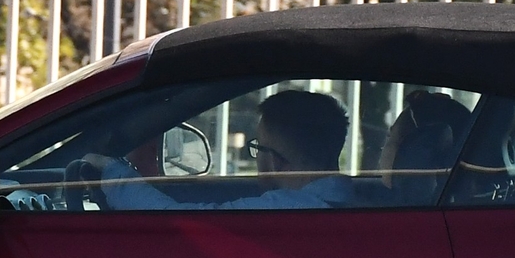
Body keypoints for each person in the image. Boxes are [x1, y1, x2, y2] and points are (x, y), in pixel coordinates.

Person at [96, 88, 357, 210]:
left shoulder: (288, 210)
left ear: (275, 160)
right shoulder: (355, 197)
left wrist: (109, 170)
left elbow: (176, 221)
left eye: (257, 147)